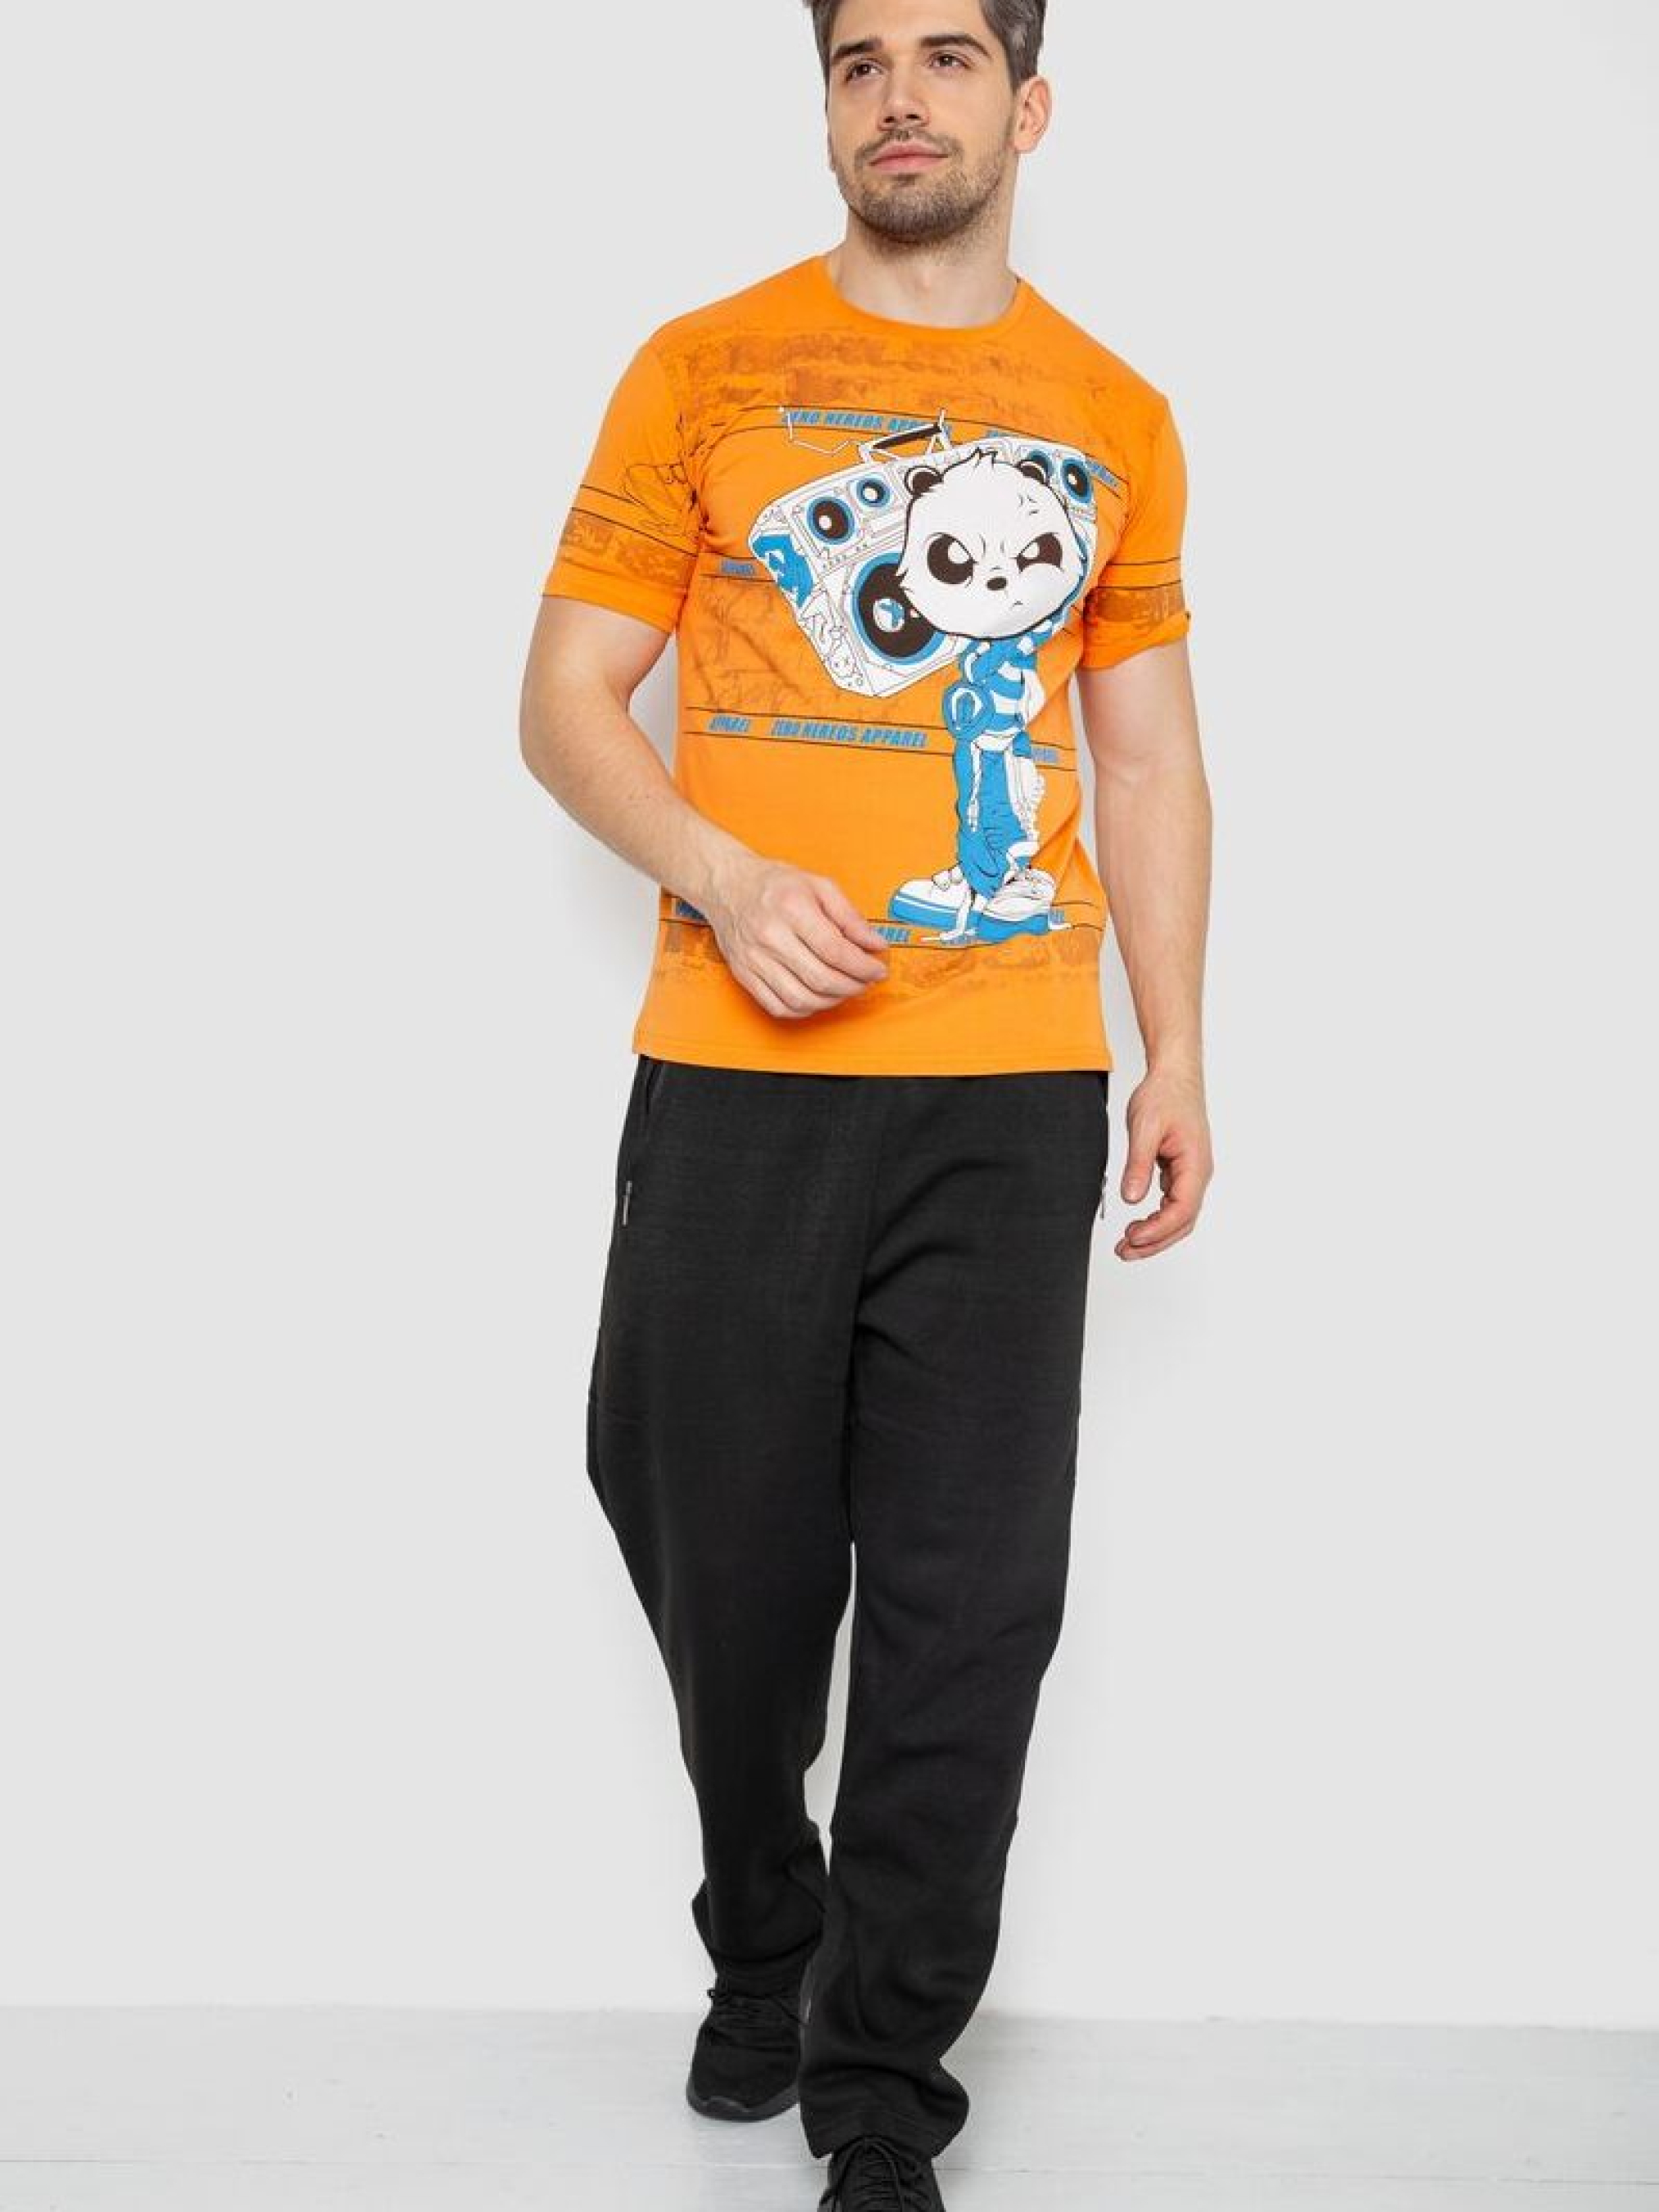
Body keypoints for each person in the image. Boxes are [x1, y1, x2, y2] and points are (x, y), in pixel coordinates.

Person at [518, 2, 1214, 2201]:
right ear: (826, 108)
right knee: (709, 1538)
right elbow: (563, 696)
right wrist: (724, 875)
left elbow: (1144, 756)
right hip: (737, 1076)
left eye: (945, 56)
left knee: (969, 1598)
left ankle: (880, 2078)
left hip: (1009, 1081)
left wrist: (1176, 1044)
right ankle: (768, 1929)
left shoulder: (1112, 413)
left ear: (1027, 103)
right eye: (856, 62)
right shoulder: (699, 370)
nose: (899, 96)